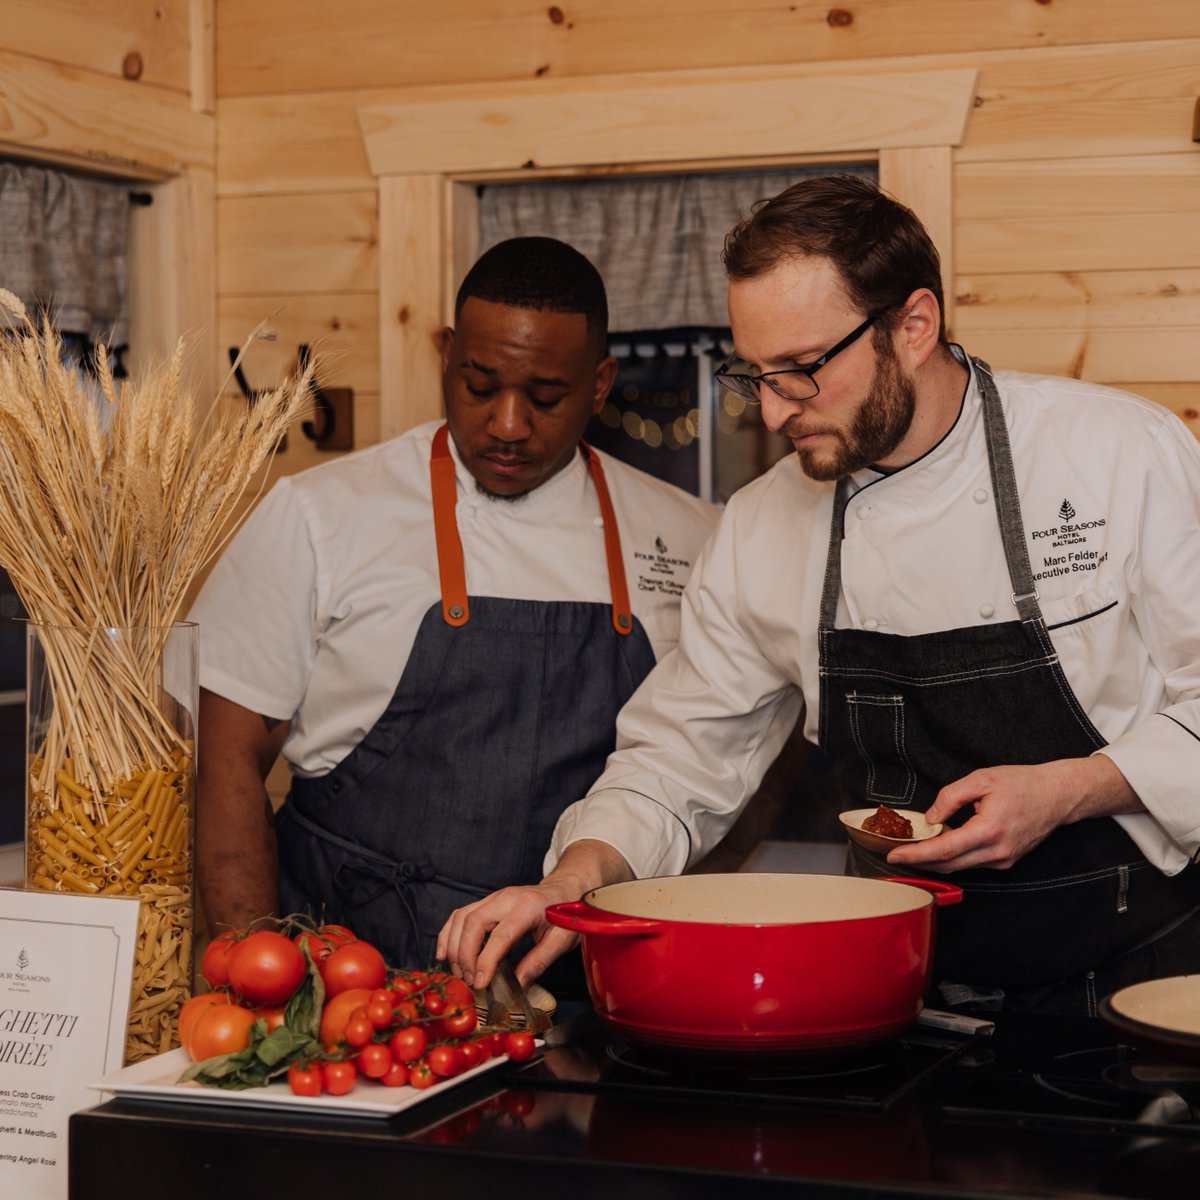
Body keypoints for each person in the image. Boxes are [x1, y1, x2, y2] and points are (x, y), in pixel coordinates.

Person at [440, 176, 1200, 1016]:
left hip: (1144, 985)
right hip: (899, 993)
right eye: (753, 375)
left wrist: (1071, 789)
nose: (771, 412)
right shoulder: (765, 524)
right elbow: (680, 757)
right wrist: (573, 879)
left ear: (914, 326)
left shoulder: (1117, 454)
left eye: (800, 372)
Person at [190, 236, 718, 971]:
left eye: (545, 396)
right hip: (351, 977)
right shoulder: (317, 516)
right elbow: (226, 756)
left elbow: (729, 750)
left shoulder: (691, 535)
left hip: (592, 984)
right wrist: (256, 972)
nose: (507, 423)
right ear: (445, 353)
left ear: (600, 384)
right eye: (478, 384)